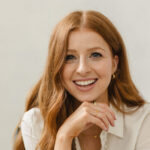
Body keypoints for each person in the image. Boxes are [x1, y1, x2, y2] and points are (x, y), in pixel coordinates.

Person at [13, 10, 150, 150]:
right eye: (69, 57)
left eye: (95, 55)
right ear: (56, 66)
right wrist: (64, 137)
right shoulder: (36, 123)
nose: (82, 69)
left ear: (114, 64)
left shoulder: (143, 120)